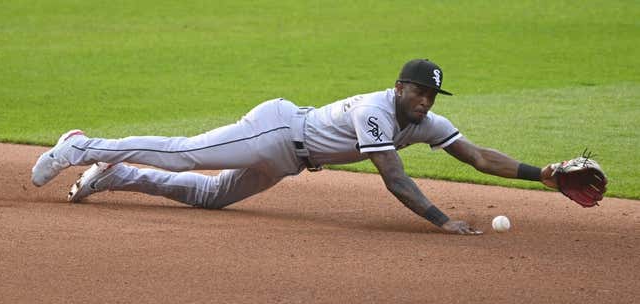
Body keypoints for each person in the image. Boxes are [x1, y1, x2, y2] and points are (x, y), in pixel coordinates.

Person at [31, 59, 558, 235]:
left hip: (291, 158)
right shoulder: (378, 111)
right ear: (400, 88)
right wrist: (443, 221)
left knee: (209, 198)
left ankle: (118, 174)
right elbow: (394, 178)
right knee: (186, 152)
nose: (425, 102)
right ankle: (80, 147)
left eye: (432, 95)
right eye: (419, 91)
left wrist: (544, 176)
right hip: (279, 131)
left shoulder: (424, 121)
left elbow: (480, 157)